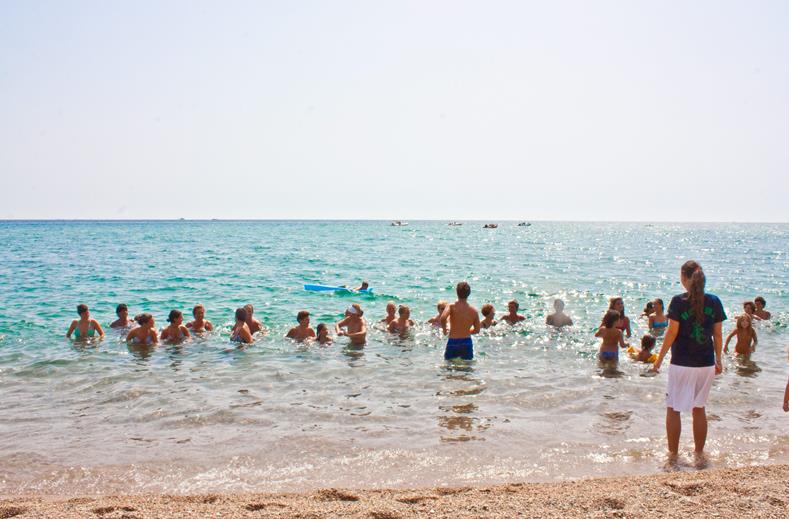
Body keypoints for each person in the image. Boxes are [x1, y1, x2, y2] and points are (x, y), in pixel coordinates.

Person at [652, 260, 726, 458]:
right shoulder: (714, 301)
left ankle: (673, 455)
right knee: (699, 408)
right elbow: (718, 335)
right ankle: (699, 454)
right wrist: (718, 359)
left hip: (682, 363)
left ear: (684, 277)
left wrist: (659, 360)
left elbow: (671, 332)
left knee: (673, 408)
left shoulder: (678, 301)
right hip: (706, 363)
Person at [440, 281, 481, 360]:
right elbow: (477, 330)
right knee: (467, 365)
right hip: (466, 342)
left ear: (456, 292)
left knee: (448, 364)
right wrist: (466, 331)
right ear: (469, 293)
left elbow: (443, 318)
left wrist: (444, 330)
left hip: (453, 341)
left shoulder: (451, 306)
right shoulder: (474, 311)